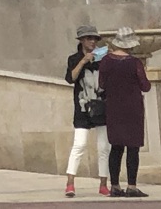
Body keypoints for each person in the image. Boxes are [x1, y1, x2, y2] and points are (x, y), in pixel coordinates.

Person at [97, 30, 152, 199]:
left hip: (114, 108)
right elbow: (145, 86)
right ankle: (132, 186)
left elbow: (101, 84)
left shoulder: (105, 61)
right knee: (133, 148)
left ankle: (114, 185)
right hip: (133, 109)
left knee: (116, 147)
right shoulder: (134, 63)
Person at [62, 27, 107, 197]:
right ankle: (70, 183)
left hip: (101, 105)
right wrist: (83, 61)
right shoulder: (74, 59)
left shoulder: (102, 58)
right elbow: (70, 78)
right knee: (79, 144)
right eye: (88, 39)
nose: (92, 42)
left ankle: (103, 183)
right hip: (82, 107)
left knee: (104, 147)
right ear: (81, 41)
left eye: (94, 39)